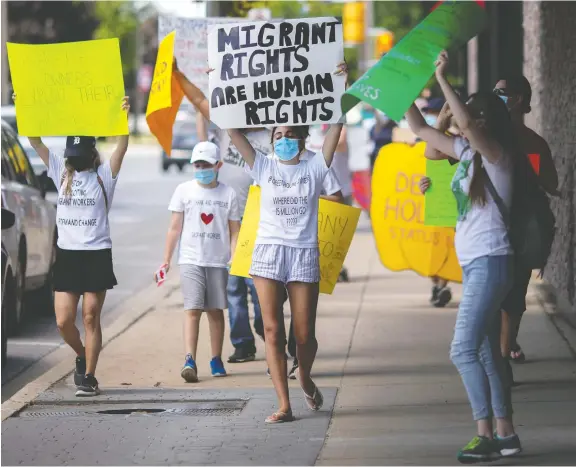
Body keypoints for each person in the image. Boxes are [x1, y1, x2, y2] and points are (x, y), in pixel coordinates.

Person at [407, 51, 521, 463]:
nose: (468, 121)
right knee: (487, 353)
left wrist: (441, 79)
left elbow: (469, 125)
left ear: (491, 121)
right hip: (477, 263)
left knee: (462, 350)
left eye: (476, 116)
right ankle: (506, 434)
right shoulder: (468, 154)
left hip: (492, 260)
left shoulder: (498, 155)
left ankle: (485, 433)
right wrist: (402, 83)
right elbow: (419, 128)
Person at [221, 60, 347, 423]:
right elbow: (233, 132)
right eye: (278, 135)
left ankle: (304, 376)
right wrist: (221, 90)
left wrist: (340, 82)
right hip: (267, 252)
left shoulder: (315, 166)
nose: (284, 140)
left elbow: (336, 126)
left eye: (291, 135)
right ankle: (284, 404)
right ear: (272, 138)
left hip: (303, 253)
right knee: (272, 329)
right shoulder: (263, 166)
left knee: (304, 334)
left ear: (303, 139)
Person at [26, 96, 130, 396]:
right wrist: (27, 108)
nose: (75, 157)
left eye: (80, 153)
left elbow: (121, 147)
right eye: (72, 153)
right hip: (68, 256)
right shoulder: (61, 172)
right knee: (62, 321)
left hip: (96, 254)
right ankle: (82, 354)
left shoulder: (103, 177)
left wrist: (123, 118)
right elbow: (35, 141)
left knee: (90, 316)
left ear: (90, 153)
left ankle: (89, 377)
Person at [174, 63, 264, 365]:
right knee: (234, 288)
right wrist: (179, 75)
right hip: (232, 223)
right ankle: (242, 344)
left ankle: (267, 328)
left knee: (260, 290)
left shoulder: (274, 134)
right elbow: (200, 102)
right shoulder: (229, 129)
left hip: (261, 225)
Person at [158, 141, 240, 382]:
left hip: (218, 261)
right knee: (192, 309)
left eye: (206, 165)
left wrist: (234, 255)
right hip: (190, 259)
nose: (202, 169)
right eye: (198, 165)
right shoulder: (184, 190)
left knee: (215, 311)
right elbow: (174, 228)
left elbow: (235, 230)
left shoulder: (228, 193)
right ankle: (189, 359)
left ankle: (216, 358)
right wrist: (166, 260)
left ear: (218, 165)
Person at [493, 76, 559, 367]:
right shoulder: (490, 136)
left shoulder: (532, 143)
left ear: (517, 99)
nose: (495, 96)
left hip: (517, 232)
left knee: (511, 298)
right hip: (492, 230)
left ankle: (503, 357)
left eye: (501, 92)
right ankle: (502, 355)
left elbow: (549, 182)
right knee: (505, 299)